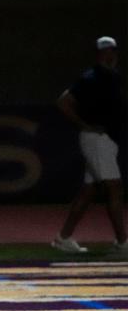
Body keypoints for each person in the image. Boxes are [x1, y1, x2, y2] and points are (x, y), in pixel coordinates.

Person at [51, 36, 127, 254]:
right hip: (96, 140)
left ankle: (63, 238)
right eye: (105, 52)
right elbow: (63, 102)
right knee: (114, 188)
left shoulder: (113, 76)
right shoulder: (92, 77)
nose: (109, 55)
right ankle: (123, 242)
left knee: (88, 191)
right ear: (98, 54)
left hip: (106, 140)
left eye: (112, 51)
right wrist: (85, 125)